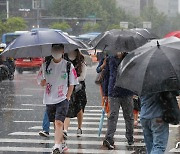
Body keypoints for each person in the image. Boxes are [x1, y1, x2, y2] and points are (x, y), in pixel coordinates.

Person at [37, 44, 78, 154]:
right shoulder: (45, 65)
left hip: (62, 99)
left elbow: (72, 83)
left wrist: (67, 97)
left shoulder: (68, 66)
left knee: (59, 122)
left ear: (63, 51)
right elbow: (40, 81)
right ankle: (62, 143)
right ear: (51, 51)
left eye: (58, 49)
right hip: (49, 99)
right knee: (55, 124)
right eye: (54, 49)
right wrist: (43, 81)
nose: (56, 52)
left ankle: (57, 146)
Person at [103, 52, 134, 150]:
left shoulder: (129, 58)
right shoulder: (110, 59)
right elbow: (106, 76)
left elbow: (134, 75)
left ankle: (130, 137)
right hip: (113, 92)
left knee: (129, 116)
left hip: (127, 91)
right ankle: (109, 138)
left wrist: (135, 90)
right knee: (113, 116)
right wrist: (105, 93)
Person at [63, 49, 87, 138]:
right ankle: (65, 130)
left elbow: (82, 77)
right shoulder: (64, 59)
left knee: (79, 109)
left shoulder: (81, 61)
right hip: (68, 87)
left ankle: (79, 127)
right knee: (68, 108)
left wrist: (72, 79)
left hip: (79, 88)